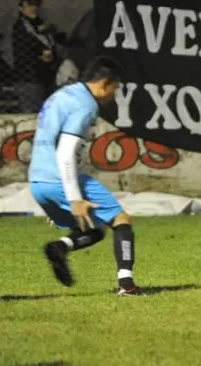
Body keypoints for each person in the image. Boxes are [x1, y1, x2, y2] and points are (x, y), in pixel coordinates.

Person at [27, 55, 143, 296]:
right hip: (59, 178)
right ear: (104, 84)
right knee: (121, 220)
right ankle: (127, 286)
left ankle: (60, 247)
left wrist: (55, 198)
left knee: (95, 226)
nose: (114, 95)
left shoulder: (60, 95)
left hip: (38, 180)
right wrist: (72, 198)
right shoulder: (85, 105)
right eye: (115, 89)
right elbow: (66, 151)